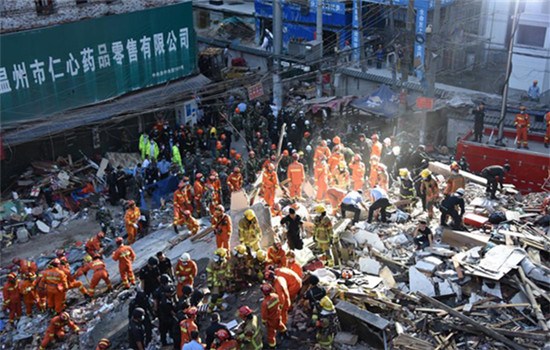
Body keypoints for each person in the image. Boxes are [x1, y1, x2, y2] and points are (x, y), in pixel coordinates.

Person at [260, 283, 286, 349]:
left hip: (271, 320)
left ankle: (272, 346)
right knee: (280, 324)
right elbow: (279, 304)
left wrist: (264, 322)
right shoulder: (275, 295)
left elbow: (264, 315)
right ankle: (285, 333)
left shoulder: (265, 303)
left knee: (271, 334)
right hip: (278, 315)